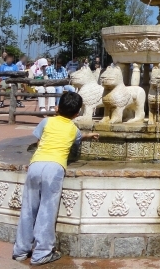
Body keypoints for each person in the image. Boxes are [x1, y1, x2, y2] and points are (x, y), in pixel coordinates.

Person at [12, 91, 99, 264]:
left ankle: (21, 250)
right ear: (77, 113)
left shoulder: (47, 121)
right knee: (47, 209)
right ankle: (42, 252)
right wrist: (90, 135)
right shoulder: (73, 129)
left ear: (57, 107)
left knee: (28, 208)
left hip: (36, 165)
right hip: (54, 168)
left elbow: (38, 141)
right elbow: (78, 137)